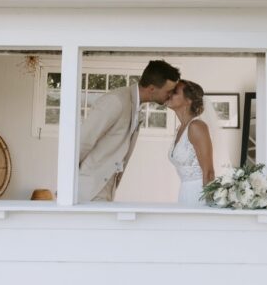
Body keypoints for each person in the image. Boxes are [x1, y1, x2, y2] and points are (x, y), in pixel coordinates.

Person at [78, 59, 180, 203]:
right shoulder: (116, 101)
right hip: (89, 187)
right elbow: (83, 141)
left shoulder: (135, 104)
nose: (170, 95)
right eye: (168, 91)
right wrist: (67, 184)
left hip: (108, 185)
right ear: (152, 88)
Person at [167, 80, 218, 206]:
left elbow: (209, 172)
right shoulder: (180, 129)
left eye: (174, 92)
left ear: (188, 100)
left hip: (199, 193)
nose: (169, 94)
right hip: (185, 191)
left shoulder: (197, 126)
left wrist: (208, 205)